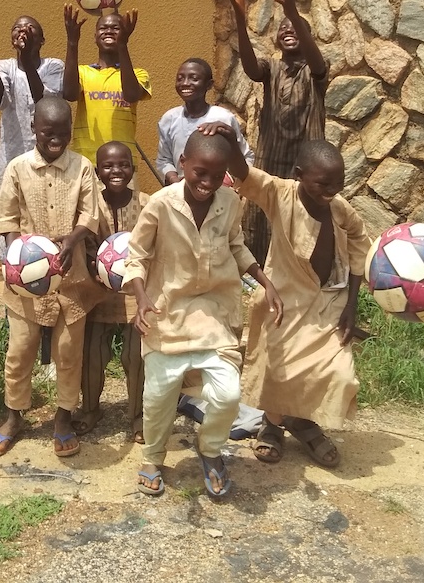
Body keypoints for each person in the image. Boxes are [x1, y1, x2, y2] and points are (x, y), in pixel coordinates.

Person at [121, 132, 283, 499]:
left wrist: (264, 281)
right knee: (159, 395)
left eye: (216, 174)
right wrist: (141, 297)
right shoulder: (160, 204)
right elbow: (137, 256)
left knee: (227, 395)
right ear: (182, 164)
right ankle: (153, 457)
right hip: (166, 314)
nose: (207, 183)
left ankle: (210, 449)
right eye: (199, 173)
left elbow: (236, 245)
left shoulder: (229, 201)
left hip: (214, 314)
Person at [200, 122, 368, 468]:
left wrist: (352, 305)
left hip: (328, 302)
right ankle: (275, 424)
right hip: (284, 301)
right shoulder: (280, 194)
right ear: (299, 175)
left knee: (337, 372)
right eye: (323, 184)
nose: (332, 191)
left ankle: (303, 422)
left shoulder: (341, 209)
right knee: (279, 369)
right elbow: (245, 174)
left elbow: (359, 248)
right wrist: (230, 141)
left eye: (338, 183)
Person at [0, 97, 102, 459]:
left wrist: (73, 240)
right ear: (34, 128)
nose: (56, 139)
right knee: (20, 350)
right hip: (26, 281)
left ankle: (63, 417)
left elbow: (90, 214)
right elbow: (6, 219)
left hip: (71, 276)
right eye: (48, 131)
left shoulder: (82, 167)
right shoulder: (18, 168)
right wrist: (19, 257)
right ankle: (14, 416)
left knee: (69, 351)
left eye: (63, 132)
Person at [223, 0, 329, 265]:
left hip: (304, 163)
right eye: (283, 28)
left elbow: (317, 62)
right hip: (271, 159)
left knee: (301, 218)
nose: (288, 30)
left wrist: (292, 12)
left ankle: (300, 270)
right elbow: (250, 69)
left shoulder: (316, 71)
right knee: (261, 217)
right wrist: (240, 18)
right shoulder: (271, 68)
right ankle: (259, 273)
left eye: (296, 28)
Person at [73, 141, 150, 442]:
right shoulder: (90, 207)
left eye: (123, 165)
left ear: (133, 168)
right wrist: (96, 267)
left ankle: (138, 415)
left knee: (135, 356)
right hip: (99, 292)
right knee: (93, 353)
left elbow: (155, 241)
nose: (116, 171)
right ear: (97, 171)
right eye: (108, 166)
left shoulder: (147, 203)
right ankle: (90, 408)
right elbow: (85, 243)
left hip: (135, 292)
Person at [0, 16, 65, 190]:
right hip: (11, 158)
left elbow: (45, 103)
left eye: (30, 27)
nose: (22, 29)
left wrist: (26, 60)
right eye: (16, 28)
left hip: (47, 159)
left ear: (42, 40)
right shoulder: (4, 67)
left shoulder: (53, 66)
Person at [62, 5, 151, 166]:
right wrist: (72, 42)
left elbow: (131, 95)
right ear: (95, 37)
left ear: (125, 33)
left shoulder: (138, 74)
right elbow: (69, 94)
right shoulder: (82, 72)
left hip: (122, 164)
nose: (109, 31)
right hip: (86, 161)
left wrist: (123, 45)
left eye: (116, 28)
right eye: (103, 28)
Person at [155, 57, 253, 186]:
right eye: (180, 78)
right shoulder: (169, 119)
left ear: (209, 85)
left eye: (194, 78)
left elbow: (245, 156)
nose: (185, 83)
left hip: (218, 189)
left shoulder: (223, 118)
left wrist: (230, 182)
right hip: (181, 190)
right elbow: (164, 160)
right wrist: (175, 180)